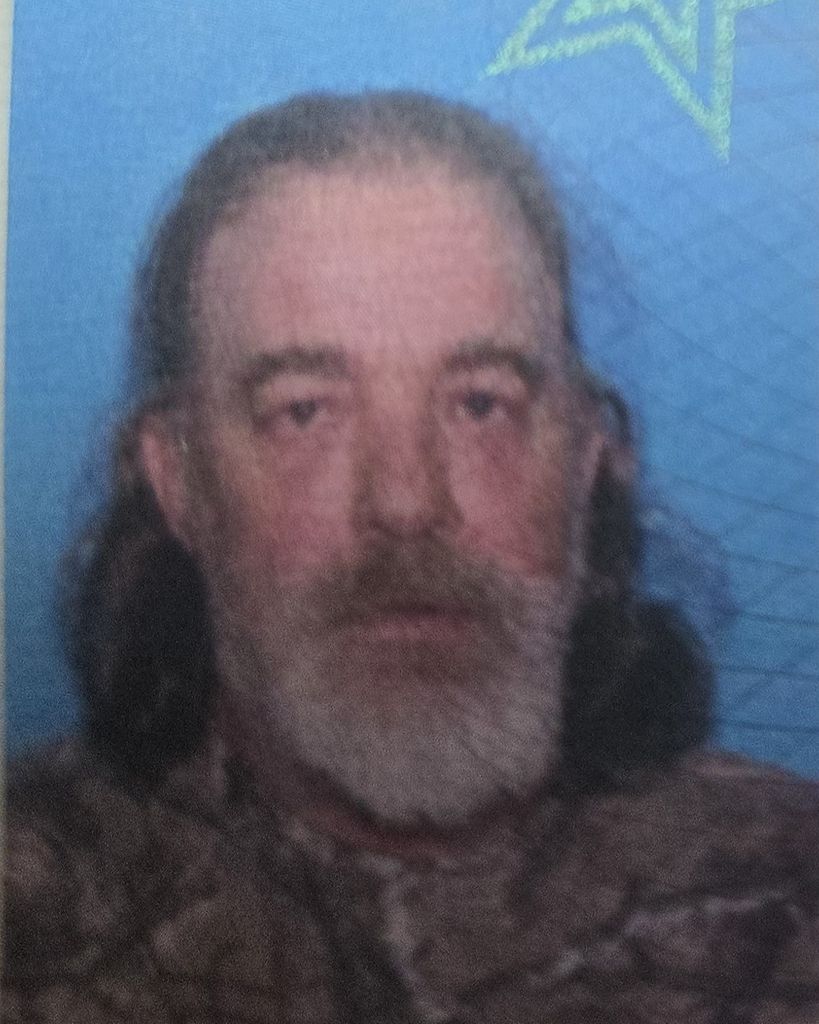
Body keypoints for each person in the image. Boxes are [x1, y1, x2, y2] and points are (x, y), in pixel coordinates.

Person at [4, 91, 817, 1024]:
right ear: (180, 479)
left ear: (589, 461)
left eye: (479, 404)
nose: (406, 502)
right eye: (304, 411)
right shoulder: (29, 922)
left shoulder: (792, 898)